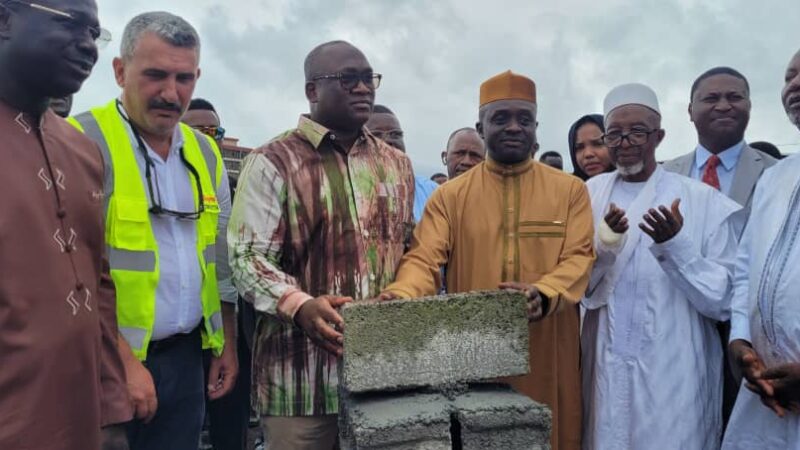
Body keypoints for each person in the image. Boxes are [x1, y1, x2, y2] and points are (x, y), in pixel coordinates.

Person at [381, 70, 595, 450]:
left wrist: (544, 293)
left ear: (536, 127)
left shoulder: (570, 191)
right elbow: (425, 256)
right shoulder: (451, 196)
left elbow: (579, 257)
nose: (514, 127)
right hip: (477, 352)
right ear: (482, 126)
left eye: (524, 119)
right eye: (501, 118)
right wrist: (402, 295)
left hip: (549, 348)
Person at [228, 40, 414, 450]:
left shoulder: (395, 163)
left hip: (381, 374)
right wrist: (299, 304)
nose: (363, 88)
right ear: (312, 90)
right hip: (300, 382)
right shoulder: (273, 160)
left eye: (369, 79)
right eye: (349, 79)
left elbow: (407, 246)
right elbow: (246, 257)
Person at [68, 12, 238, 450]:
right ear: (120, 71)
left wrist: (226, 344)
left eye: (184, 78)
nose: (171, 92)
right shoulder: (78, 141)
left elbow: (218, 259)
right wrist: (122, 363)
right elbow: (67, 273)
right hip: (99, 363)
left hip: (185, 361)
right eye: (156, 75)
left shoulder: (205, 154)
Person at [0, 0, 132, 448]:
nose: (88, 45)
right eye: (71, 23)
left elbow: (97, 285)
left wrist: (112, 405)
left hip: (79, 420)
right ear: (5, 19)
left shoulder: (81, 150)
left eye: (95, 33)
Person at [582, 83, 742, 450]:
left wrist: (676, 246)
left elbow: (723, 300)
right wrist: (605, 247)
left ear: (659, 136)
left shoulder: (701, 201)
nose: (625, 143)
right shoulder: (588, 195)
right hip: (604, 359)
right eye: (615, 134)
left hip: (675, 367)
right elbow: (576, 282)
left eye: (637, 132)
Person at [663, 67, 777, 426]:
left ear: (749, 106)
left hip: (750, 334)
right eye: (711, 98)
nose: (724, 105)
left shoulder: (778, 175)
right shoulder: (665, 175)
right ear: (690, 110)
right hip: (675, 324)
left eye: (734, 97)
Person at [721, 48, 800, 450]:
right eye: (789, 77)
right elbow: (745, 270)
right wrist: (740, 342)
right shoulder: (776, 177)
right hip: (764, 396)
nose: (795, 86)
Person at [182, 98, 252, 450]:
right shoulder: (155, 189)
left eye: (214, 131)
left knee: (229, 426)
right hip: (175, 336)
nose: (207, 139)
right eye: (197, 131)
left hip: (227, 327)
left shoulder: (241, 192)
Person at [365, 104, 436, 222]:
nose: (388, 141)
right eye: (376, 135)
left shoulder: (432, 191)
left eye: (395, 134)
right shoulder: (344, 191)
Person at [567, 114, 614, 180]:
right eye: (579, 148)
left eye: (598, 144)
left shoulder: (632, 187)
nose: (588, 154)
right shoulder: (569, 189)